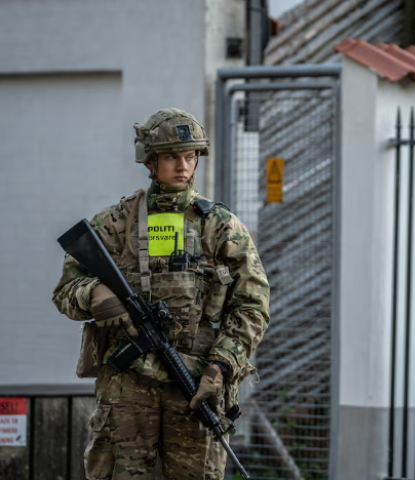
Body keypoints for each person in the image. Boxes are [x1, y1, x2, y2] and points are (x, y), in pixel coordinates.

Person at [53, 108, 270, 480]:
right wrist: (97, 295)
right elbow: (65, 292)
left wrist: (221, 365)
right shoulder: (116, 222)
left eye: (190, 157)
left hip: (195, 384)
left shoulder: (219, 227)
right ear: (151, 162)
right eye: (172, 156)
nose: (183, 166)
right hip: (127, 389)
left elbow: (252, 305)